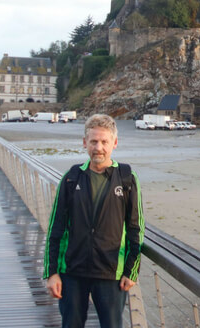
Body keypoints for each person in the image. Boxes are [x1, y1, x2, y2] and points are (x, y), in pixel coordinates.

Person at [44, 114, 144, 328]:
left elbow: (136, 228)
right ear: (84, 143)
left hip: (111, 272)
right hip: (72, 272)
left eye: (104, 142)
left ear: (114, 143)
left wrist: (131, 270)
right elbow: (56, 229)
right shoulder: (71, 177)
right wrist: (52, 272)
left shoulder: (127, 177)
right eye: (93, 141)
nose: (99, 147)